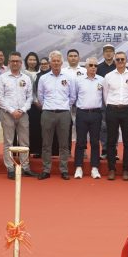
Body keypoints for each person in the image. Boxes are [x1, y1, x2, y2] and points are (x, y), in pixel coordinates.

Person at [0, 52, 36, 180]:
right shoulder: (3, 78)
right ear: (9, 62)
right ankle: (10, 168)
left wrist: (22, 110)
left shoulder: (26, 78)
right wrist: (12, 111)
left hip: (23, 113)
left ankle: (25, 167)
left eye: (17, 61)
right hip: (8, 113)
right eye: (12, 61)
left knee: (24, 141)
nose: (15, 63)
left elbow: (30, 97)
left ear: (21, 63)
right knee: (8, 141)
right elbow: (0, 98)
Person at [36, 51, 75, 180]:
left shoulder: (69, 77)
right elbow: (40, 96)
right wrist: (48, 106)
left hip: (64, 113)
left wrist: (64, 106)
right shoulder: (43, 78)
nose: (56, 63)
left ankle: (63, 170)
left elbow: (72, 96)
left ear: (62, 62)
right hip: (47, 113)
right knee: (46, 144)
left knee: (64, 144)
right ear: (50, 63)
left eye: (58, 61)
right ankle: (46, 169)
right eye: (54, 61)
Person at [103, 51, 128, 180]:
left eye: (122, 59)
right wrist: (112, 104)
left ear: (126, 61)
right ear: (114, 61)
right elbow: (105, 95)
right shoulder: (108, 76)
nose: (120, 62)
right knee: (111, 141)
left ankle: (126, 169)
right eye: (118, 59)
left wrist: (126, 104)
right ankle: (111, 169)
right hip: (112, 109)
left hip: (127, 110)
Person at [72, 57, 104, 180]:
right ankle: (78, 167)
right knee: (80, 142)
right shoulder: (78, 80)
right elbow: (73, 97)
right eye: (90, 65)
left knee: (95, 142)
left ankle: (95, 168)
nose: (93, 68)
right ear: (86, 67)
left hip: (96, 114)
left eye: (95, 66)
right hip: (82, 113)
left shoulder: (102, 80)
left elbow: (104, 97)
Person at [29, 57, 50, 157]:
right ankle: (37, 151)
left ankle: (49, 152)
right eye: (42, 64)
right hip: (37, 107)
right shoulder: (36, 76)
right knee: (37, 129)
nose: (44, 65)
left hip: (50, 107)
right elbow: (33, 91)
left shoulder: (53, 75)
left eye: (46, 63)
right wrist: (37, 102)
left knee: (49, 130)